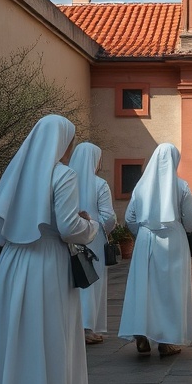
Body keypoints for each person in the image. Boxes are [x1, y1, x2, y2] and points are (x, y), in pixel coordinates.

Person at [0, 114, 98, 384]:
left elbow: (0, 219)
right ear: (62, 142)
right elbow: (69, 228)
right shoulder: (63, 175)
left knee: (11, 331)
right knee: (44, 330)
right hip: (46, 260)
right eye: (70, 141)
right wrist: (91, 226)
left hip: (12, 259)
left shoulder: (16, 172)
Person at [118, 143, 192, 357]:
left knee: (144, 287)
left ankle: (142, 335)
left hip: (146, 239)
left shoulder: (140, 187)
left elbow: (129, 219)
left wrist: (143, 233)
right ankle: (167, 340)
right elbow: (190, 220)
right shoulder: (181, 186)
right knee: (170, 290)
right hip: (172, 240)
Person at [68, 142, 117, 345]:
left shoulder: (65, 180)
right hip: (93, 239)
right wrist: (97, 225)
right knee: (91, 280)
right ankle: (88, 327)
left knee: (71, 282)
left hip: (68, 239)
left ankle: (72, 326)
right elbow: (109, 217)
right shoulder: (99, 184)